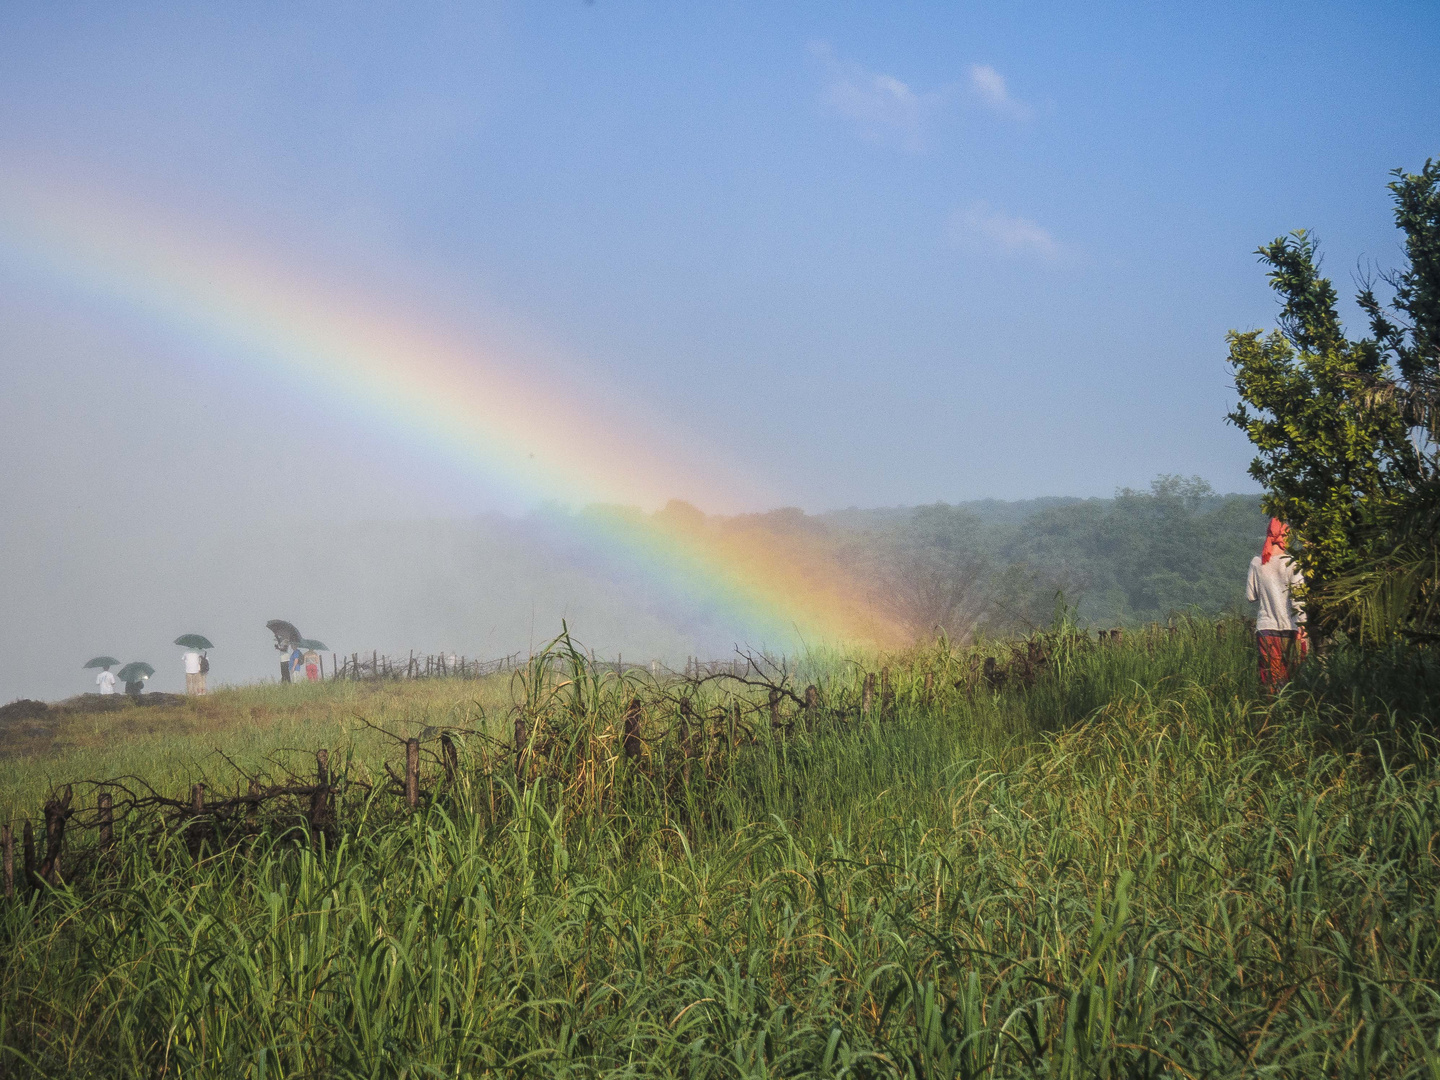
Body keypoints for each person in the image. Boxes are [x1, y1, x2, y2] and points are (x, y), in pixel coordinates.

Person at [1247, 518, 1307, 689]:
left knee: (1271, 680)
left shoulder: (1257, 563)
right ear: (1285, 537)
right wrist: (1303, 625)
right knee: (1293, 680)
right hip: (1291, 628)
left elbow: (1251, 596)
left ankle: (1271, 712)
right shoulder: (1292, 563)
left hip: (1266, 628)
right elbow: (1298, 599)